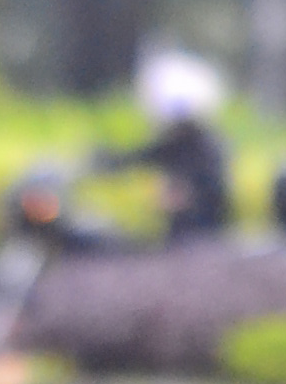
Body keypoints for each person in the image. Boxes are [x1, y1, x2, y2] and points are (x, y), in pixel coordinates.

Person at [92, 47, 232, 241]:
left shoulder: (208, 149)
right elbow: (139, 157)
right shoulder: (174, 145)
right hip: (177, 236)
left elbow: (212, 191)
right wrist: (104, 161)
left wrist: (183, 196)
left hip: (204, 235)